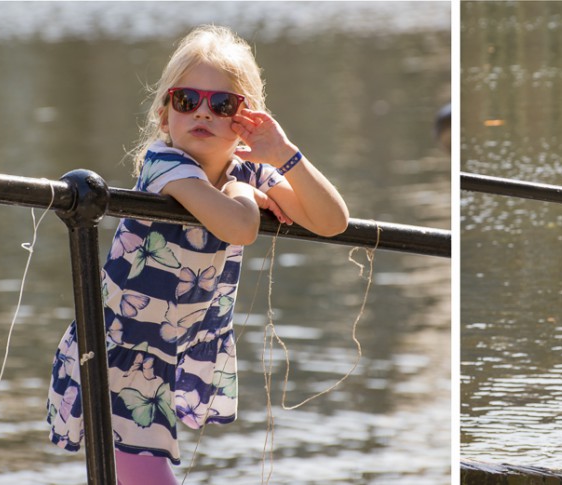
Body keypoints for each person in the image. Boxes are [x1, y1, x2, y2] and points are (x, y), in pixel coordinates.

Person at [46, 25, 349, 484]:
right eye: (187, 100)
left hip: (166, 351)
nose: (202, 112)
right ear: (165, 114)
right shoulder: (165, 165)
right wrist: (242, 191)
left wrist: (284, 154)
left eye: (222, 104)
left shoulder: (245, 168)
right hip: (118, 357)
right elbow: (240, 227)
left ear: (245, 119)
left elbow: (332, 221)